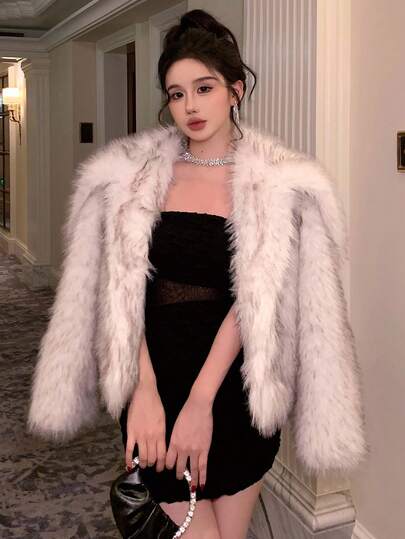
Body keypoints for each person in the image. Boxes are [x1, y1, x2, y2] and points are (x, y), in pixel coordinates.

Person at [27, 8, 369, 539]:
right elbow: (123, 292)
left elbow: (253, 299)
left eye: (204, 88)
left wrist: (202, 401)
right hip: (156, 376)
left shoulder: (276, 185)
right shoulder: (132, 179)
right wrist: (143, 388)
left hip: (236, 386)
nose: (189, 106)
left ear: (235, 90)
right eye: (177, 93)